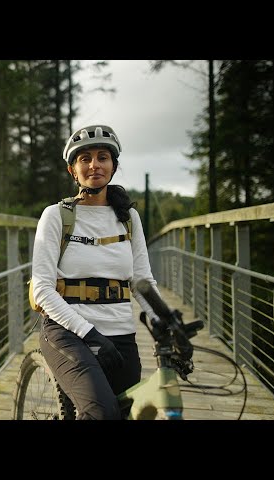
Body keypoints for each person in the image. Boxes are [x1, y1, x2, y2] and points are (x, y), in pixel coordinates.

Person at [31, 124, 161, 420]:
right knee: (102, 413)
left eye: (103, 157)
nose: (94, 165)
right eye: (85, 159)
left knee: (136, 411)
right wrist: (88, 332)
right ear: (72, 170)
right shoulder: (56, 216)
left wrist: (161, 318)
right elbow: (41, 289)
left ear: (113, 165)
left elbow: (142, 280)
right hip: (67, 333)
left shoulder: (128, 218)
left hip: (120, 333)